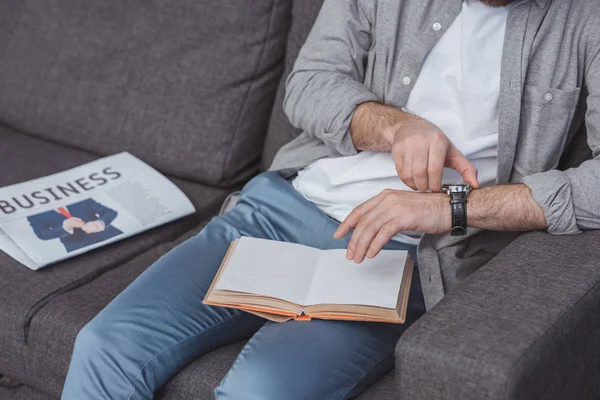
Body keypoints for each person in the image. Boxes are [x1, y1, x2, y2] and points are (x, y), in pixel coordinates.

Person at [61, 0, 600, 398]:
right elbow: (311, 81)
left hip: (408, 256)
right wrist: (395, 127)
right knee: (104, 346)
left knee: (263, 391)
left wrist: (449, 207)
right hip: (284, 209)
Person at [27, 198, 122, 253]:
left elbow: (110, 212)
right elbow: (42, 234)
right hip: (78, 248)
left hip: (111, 236)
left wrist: (99, 223)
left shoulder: (78, 198)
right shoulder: (33, 213)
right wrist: (65, 228)